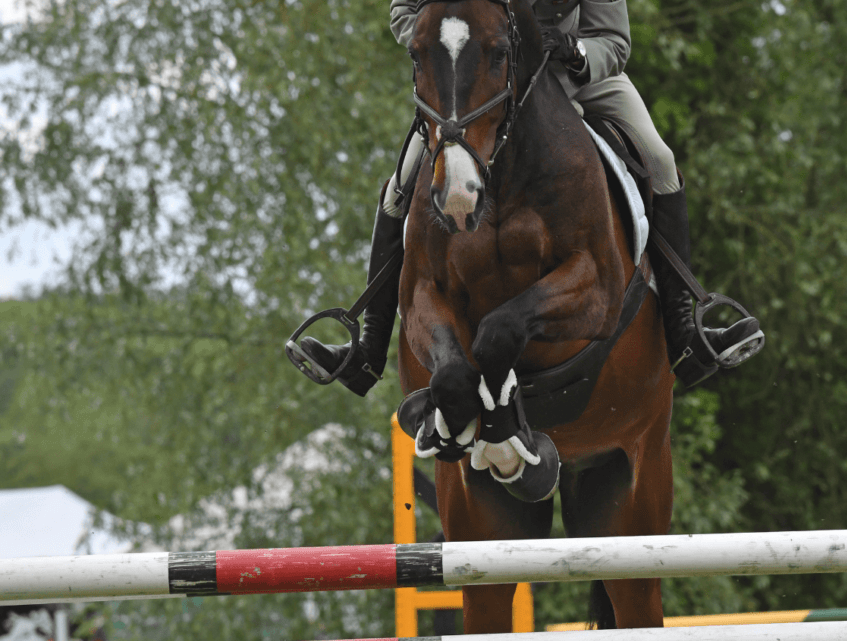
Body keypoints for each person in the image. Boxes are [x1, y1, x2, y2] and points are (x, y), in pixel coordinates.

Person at [301, 0, 761, 397]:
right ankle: (369, 347)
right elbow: (404, 12)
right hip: (477, 84)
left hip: (572, 81)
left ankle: (685, 332)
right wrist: (436, 37)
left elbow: (614, 42)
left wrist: (577, 52)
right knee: (401, 184)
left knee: (659, 158)